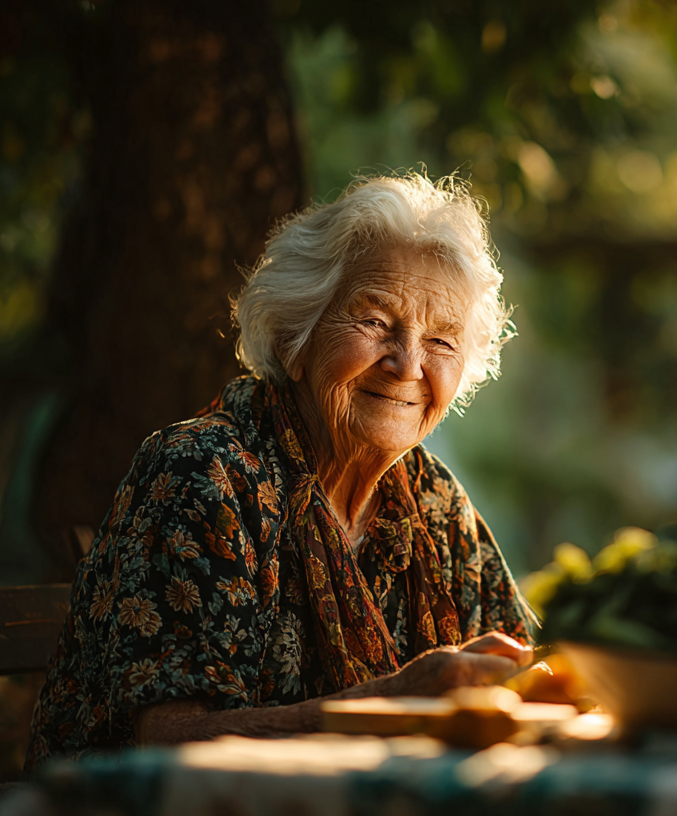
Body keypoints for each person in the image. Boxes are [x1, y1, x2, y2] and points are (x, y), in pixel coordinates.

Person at [28, 173, 534, 764]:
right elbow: (164, 745)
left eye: (442, 342)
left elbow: (521, 675)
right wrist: (393, 705)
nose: (406, 365)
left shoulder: (433, 501)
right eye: (375, 322)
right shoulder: (205, 474)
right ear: (297, 336)